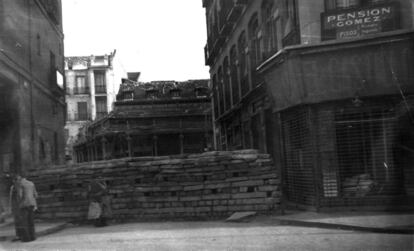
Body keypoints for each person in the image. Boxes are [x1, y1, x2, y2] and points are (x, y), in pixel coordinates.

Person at [16, 174, 38, 242]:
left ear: (20, 178)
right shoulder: (31, 183)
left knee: (25, 222)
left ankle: (26, 238)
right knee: (31, 221)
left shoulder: (20, 184)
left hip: (24, 205)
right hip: (31, 204)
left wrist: (19, 202)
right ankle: (33, 237)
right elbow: (36, 195)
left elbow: (20, 195)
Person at [9, 175, 24, 242]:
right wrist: (11, 207)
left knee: (22, 221)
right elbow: (10, 197)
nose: (18, 181)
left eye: (19, 179)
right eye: (17, 180)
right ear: (14, 181)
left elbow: (23, 197)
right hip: (15, 207)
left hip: (21, 206)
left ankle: (23, 235)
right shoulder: (12, 188)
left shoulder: (22, 187)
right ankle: (18, 235)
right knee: (16, 222)